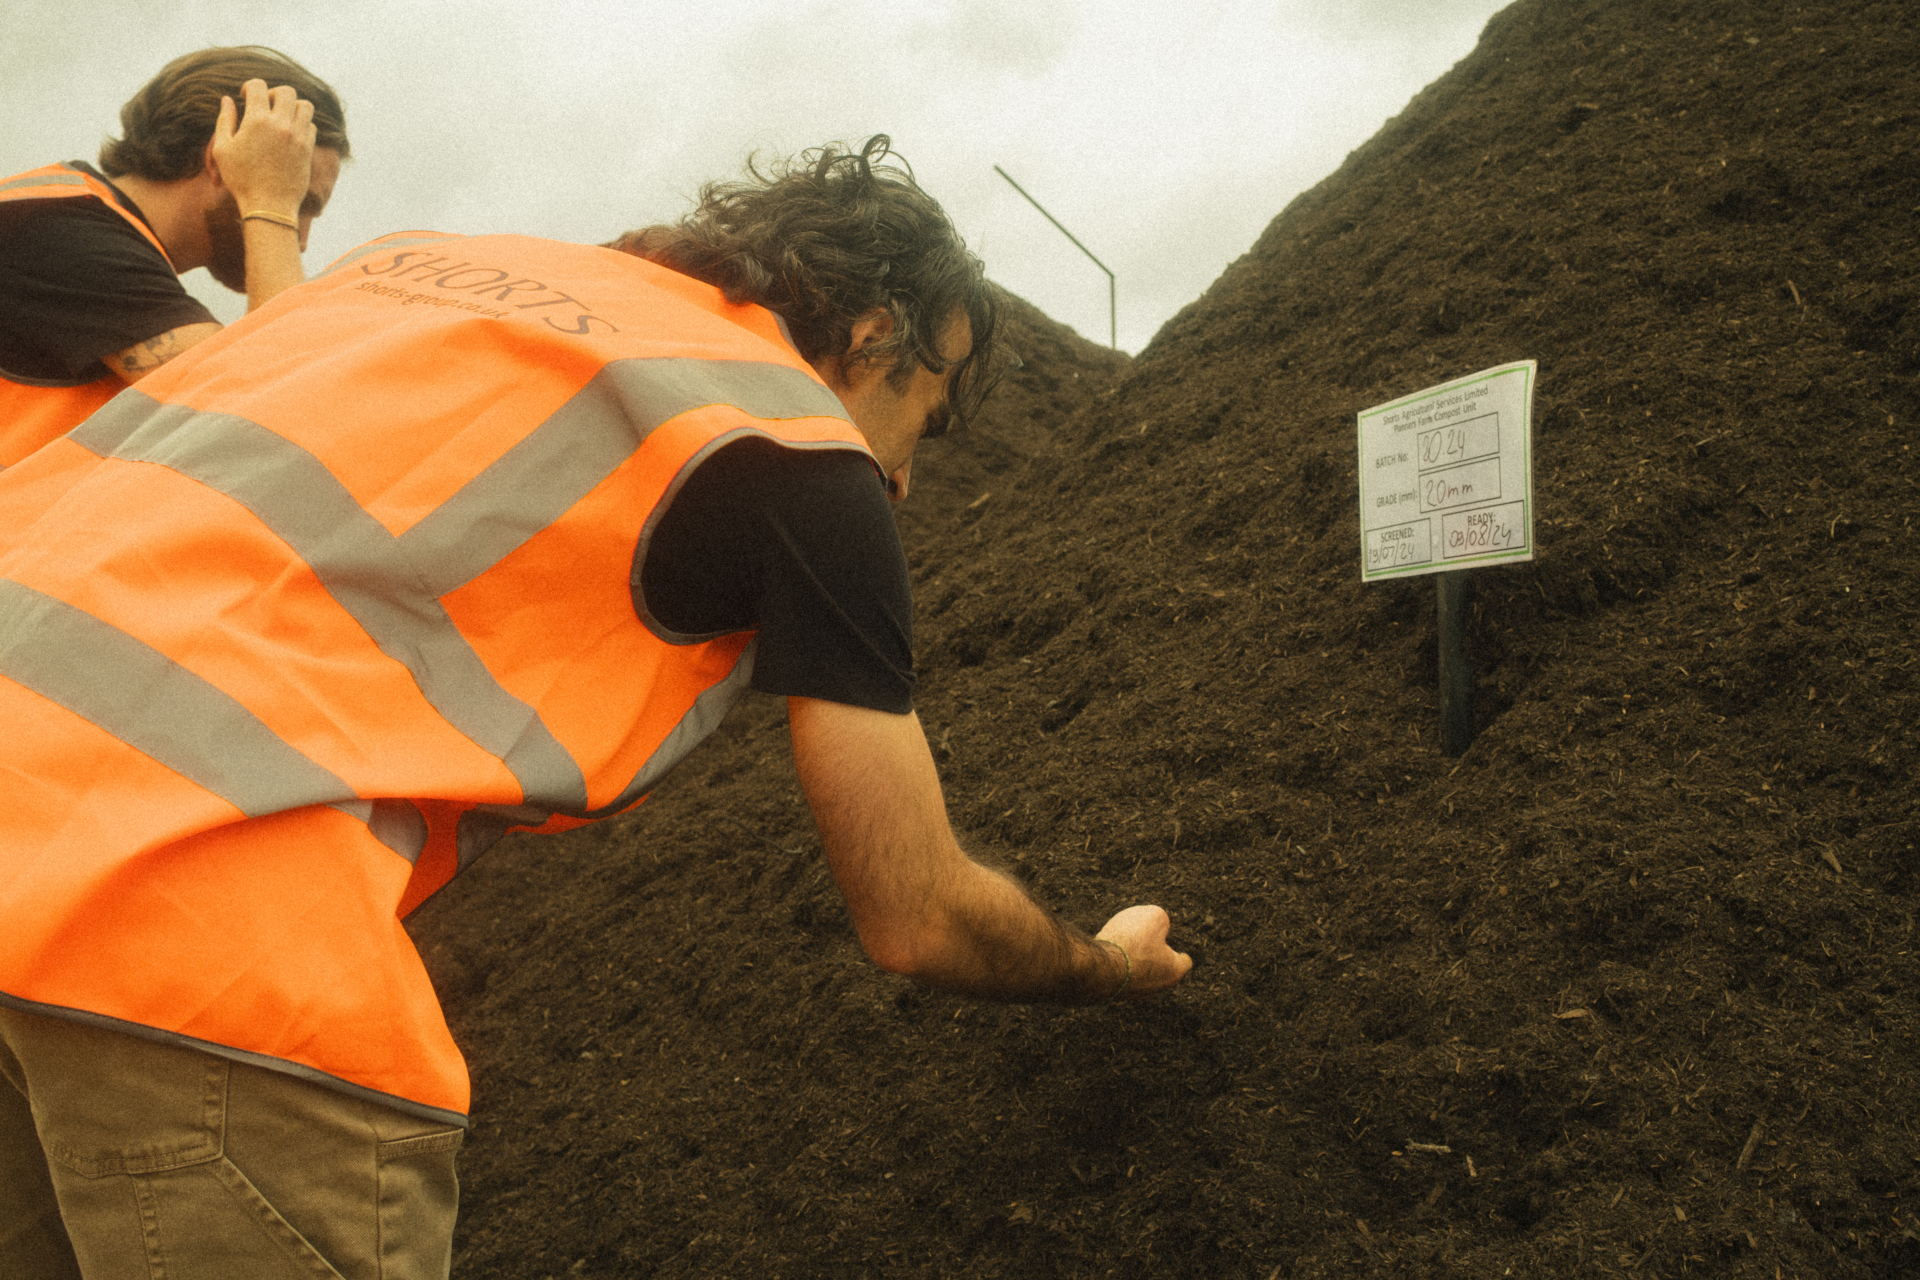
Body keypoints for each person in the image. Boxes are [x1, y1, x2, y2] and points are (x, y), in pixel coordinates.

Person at [0, 136, 1191, 1277]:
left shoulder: (404, 273)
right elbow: (916, 914)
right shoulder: (796, 449)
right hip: (188, 926)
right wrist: (1103, 964)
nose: (906, 475)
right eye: (922, 415)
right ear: (875, 333)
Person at [0, 46, 347, 468]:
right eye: (300, 201)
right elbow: (268, 409)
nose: (302, 239)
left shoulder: (71, 218)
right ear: (220, 160)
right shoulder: (57, 229)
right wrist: (270, 204)